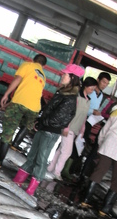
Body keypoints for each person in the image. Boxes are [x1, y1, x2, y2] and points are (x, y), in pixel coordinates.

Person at [12, 63, 83, 196]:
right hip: (45, 129)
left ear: (72, 78)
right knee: (32, 156)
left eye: (65, 74)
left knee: (41, 160)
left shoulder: (70, 98)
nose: (62, 76)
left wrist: (42, 122)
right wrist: (39, 120)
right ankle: (17, 181)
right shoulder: (62, 92)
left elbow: (59, 118)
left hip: (50, 132)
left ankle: (30, 191)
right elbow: (49, 111)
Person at [0, 53, 47, 167]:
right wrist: (11, 102)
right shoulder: (43, 75)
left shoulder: (28, 65)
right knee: (27, 125)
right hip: (34, 108)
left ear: (33, 60)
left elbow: (17, 80)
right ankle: (15, 144)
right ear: (44, 66)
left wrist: (6, 94)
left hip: (20, 103)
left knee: (9, 130)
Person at [47, 76, 98, 180]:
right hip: (69, 127)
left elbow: (84, 116)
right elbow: (70, 112)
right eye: (91, 88)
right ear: (85, 86)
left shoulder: (88, 100)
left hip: (76, 129)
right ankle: (57, 171)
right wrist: (66, 127)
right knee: (67, 151)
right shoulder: (77, 97)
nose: (92, 91)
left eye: (93, 89)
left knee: (62, 149)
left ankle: (50, 168)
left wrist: (82, 130)